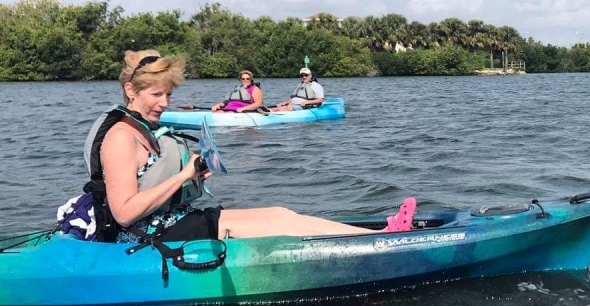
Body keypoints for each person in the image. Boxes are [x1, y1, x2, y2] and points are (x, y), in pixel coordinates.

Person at [75, 49, 416, 246]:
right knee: (277, 226)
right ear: (131, 91)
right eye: (156, 95)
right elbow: (124, 213)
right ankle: (380, 241)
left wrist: (195, 174)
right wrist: (183, 175)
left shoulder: (141, 127)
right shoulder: (121, 136)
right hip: (146, 234)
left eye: (169, 95)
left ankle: (378, 233)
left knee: (281, 214)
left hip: (171, 220)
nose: (164, 103)